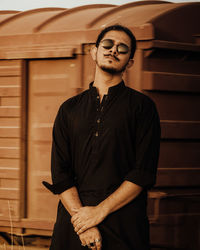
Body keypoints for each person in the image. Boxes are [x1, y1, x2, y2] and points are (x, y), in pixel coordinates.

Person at [43, 24, 161, 250]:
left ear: (130, 62)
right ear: (94, 52)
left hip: (124, 222)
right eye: (107, 44)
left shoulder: (143, 108)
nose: (113, 50)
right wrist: (85, 223)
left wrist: (98, 212)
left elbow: (143, 172)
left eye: (123, 48)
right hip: (74, 224)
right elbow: (60, 173)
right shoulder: (69, 109)